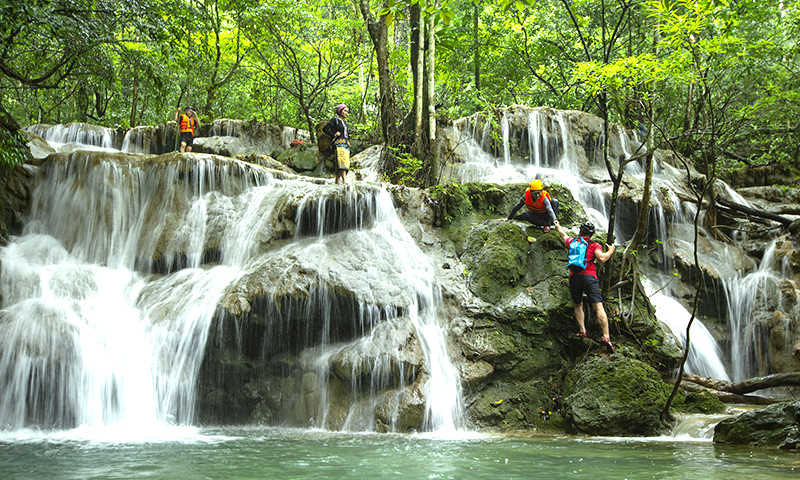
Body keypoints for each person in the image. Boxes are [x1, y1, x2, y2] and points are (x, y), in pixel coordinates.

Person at [554, 220, 616, 353]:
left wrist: (558, 225)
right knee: (598, 306)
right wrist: (611, 251)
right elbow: (601, 259)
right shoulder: (594, 245)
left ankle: (582, 331)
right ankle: (606, 337)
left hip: (574, 277)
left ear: (580, 232)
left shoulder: (573, 242)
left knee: (578, 305)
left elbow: (563, 235)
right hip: (589, 277)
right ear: (592, 235)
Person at [322, 104, 350, 184]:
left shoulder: (345, 123)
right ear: (340, 111)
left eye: (347, 111)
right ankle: (344, 181)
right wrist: (333, 134)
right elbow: (325, 128)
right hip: (338, 144)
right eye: (345, 111)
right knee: (343, 161)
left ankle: (337, 182)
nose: (346, 113)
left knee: (342, 163)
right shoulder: (335, 120)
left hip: (346, 144)